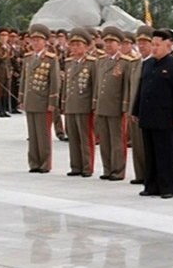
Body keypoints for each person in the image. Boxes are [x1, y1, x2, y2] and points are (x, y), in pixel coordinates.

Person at [132, 29, 173, 199]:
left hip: (166, 117)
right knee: (150, 152)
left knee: (166, 153)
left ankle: (167, 187)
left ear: (168, 45)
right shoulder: (147, 64)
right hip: (148, 114)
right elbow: (141, 90)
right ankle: (151, 185)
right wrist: (135, 110)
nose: (154, 48)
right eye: (153, 44)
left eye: (158, 45)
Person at [19, 24, 60, 173]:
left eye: (38, 40)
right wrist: (22, 98)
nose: (35, 43)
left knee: (43, 134)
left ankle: (44, 163)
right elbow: (24, 80)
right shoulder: (28, 58)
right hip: (30, 101)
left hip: (43, 101)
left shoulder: (50, 59)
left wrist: (52, 102)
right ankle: (34, 162)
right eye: (33, 40)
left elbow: (55, 82)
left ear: (45, 42)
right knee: (32, 134)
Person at [94, 26, 132, 180]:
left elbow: (126, 87)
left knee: (117, 140)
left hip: (116, 106)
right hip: (102, 106)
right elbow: (98, 84)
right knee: (104, 140)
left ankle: (118, 170)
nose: (108, 45)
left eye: (112, 42)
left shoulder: (125, 62)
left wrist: (125, 106)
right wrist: (95, 103)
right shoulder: (101, 61)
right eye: (106, 42)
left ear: (119, 44)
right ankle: (107, 168)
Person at [62, 27, 97, 177]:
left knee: (85, 137)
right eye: (73, 45)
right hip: (71, 104)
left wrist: (94, 104)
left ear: (87, 46)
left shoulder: (92, 63)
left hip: (84, 104)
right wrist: (63, 102)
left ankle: (87, 166)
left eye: (79, 45)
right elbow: (66, 85)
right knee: (73, 137)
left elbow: (95, 85)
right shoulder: (69, 62)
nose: (75, 48)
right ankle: (76, 165)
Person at [128, 25, 154, 185]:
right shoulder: (135, 63)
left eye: (145, 42)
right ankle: (140, 174)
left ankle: (150, 175)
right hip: (134, 110)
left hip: (148, 112)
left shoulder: (154, 63)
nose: (142, 45)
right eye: (139, 42)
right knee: (137, 145)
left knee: (147, 147)